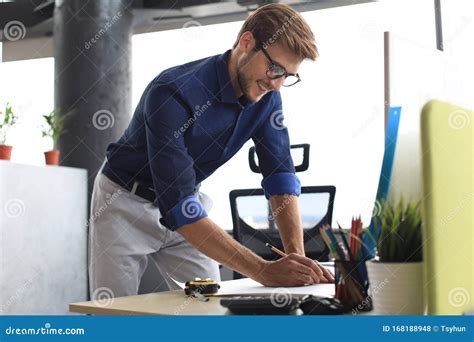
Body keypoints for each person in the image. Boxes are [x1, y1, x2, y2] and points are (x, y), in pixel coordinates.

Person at [89, 3, 334, 299]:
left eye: (288, 76)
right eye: (275, 69)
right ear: (246, 43)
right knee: (114, 316)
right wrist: (263, 270)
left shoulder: (267, 97)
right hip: (123, 203)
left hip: (189, 205)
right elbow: (176, 206)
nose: (278, 84)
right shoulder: (172, 92)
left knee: (208, 310)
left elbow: (280, 174)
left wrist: (297, 260)